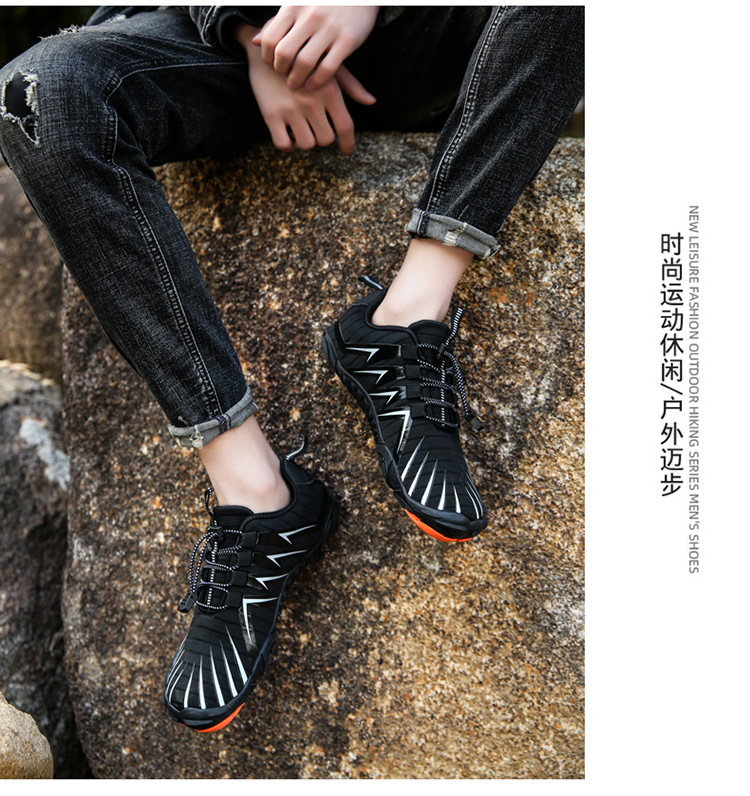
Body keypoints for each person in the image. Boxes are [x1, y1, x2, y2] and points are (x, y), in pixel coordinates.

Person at [0, 6, 584, 732]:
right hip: (226, 48)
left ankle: (407, 317)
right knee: (40, 93)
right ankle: (256, 493)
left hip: (440, 38)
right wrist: (252, 27)